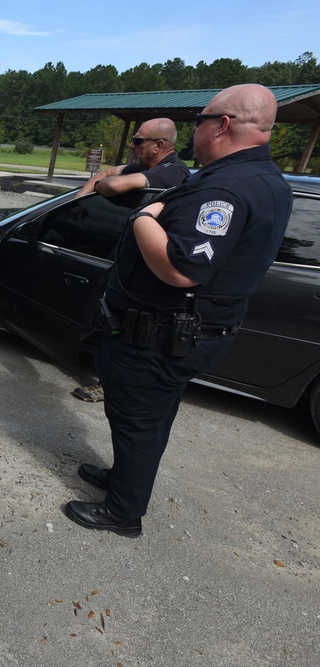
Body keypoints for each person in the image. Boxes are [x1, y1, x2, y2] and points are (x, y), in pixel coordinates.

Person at [65, 84, 293, 538]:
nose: (197, 129)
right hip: (188, 331)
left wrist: (143, 218)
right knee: (149, 417)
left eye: (201, 120)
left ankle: (123, 513)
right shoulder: (263, 179)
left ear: (223, 124)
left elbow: (181, 268)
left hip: (162, 333)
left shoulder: (226, 187)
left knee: (139, 419)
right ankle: (125, 480)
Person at [71, 118, 191, 403]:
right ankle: (106, 373)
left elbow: (113, 185)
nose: (132, 145)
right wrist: (79, 202)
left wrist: (105, 184)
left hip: (148, 268)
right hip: (127, 258)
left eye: (138, 141)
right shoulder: (148, 167)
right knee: (110, 318)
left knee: (124, 327)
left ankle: (108, 384)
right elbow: (107, 173)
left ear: (158, 145)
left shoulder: (173, 172)